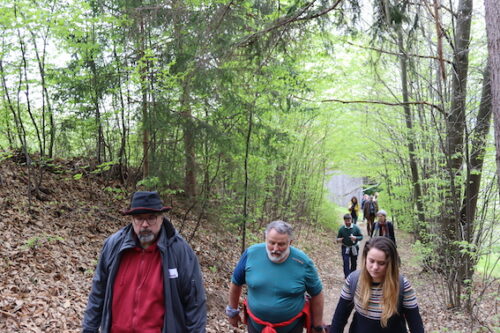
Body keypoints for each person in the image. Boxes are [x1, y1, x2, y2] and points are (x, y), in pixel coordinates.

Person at [82, 191, 207, 333]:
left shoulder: (180, 251)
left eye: (151, 218)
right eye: (139, 218)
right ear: (132, 220)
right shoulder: (113, 246)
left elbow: (194, 303)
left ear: (161, 218)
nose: (145, 224)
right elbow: (98, 293)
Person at [227, 220, 327, 333]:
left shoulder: (303, 262)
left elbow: (317, 293)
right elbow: (236, 282)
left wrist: (317, 326)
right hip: (255, 326)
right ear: (265, 239)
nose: (275, 249)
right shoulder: (251, 254)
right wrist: (232, 312)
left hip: (291, 328)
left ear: (290, 242)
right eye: (271, 243)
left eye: (281, 244)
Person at [328, 237, 424, 333]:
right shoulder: (353, 280)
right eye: (371, 261)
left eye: (381, 263)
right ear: (365, 258)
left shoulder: (403, 286)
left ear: (390, 264)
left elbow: (416, 325)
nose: (375, 267)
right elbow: (339, 319)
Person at [336, 214, 363, 279]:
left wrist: (355, 238)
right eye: (346, 221)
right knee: (346, 262)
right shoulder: (341, 229)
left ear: (351, 220)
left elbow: (361, 237)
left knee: (354, 262)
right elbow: (338, 238)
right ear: (344, 221)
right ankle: (347, 277)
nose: (347, 222)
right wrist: (338, 240)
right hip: (345, 247)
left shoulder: (356, 228)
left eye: (349, 220)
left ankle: (352, 276)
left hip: (354, 247)